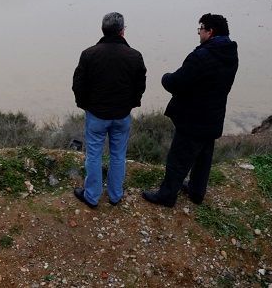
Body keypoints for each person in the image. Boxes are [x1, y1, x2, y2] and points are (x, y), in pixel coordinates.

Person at [143, 13, 239, 208]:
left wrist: (165, 77)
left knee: (178, 158)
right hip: (214, 116)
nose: (199, 33)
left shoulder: (202, 56)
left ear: (210, 31)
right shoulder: (230, 54)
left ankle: (167, 196)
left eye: (200, 29)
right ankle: (196, 192)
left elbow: (178, 83)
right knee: (203, 158)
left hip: (193, 118)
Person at [72, 12, 146, 207]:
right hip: (122, 115)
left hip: (96, 115)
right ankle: (115, 195)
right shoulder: (134, 56)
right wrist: (131, 104)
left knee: (94, 154)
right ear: (122, 31)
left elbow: (78, 84)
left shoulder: (89, 54)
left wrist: (84, 105)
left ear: (103, 30)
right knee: (118, 155)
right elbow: (140, 86)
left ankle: (92, 196)